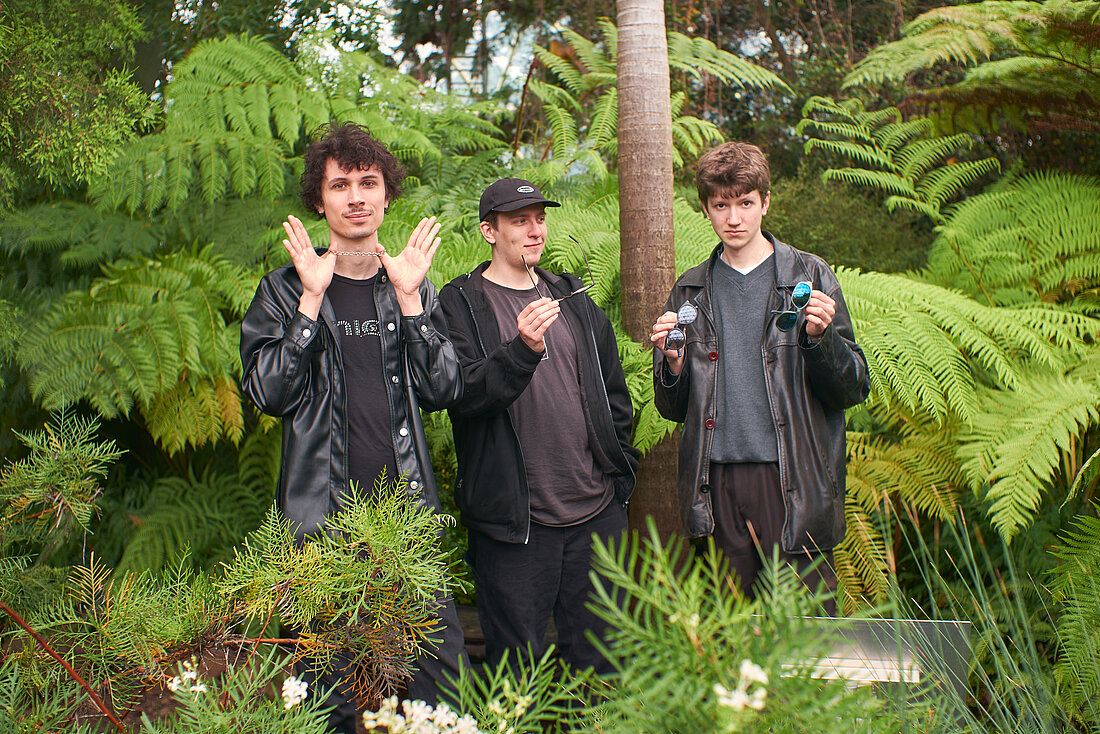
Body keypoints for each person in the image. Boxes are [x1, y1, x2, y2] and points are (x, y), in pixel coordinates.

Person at [239, 122, 467, 732]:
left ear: (387, 194)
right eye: (341, 185)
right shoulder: (283, 291)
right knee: (329, 708)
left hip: (406, 530)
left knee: (440, 700)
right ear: (320, 199)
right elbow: (267, 392)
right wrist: (310, 305)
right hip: (323, 536)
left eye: (369, 182)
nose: (357, 196)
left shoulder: (410, 287)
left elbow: (445, 388)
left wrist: (414, 303)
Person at [649, 142, 869, 610]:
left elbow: (852, 387)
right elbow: (671, 409)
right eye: (721, 205)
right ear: (707, 209)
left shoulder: (810, 275)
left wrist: (820, 338)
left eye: (745, 203)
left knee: (806, 633)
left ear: (765, 203)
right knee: (730, 633)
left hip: (792, 478)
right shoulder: (690, 290)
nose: (734, 218)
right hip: (715, 482)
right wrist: (672, 366)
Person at [438, 178, 639, 672]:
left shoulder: (572, 297)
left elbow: (613, 392)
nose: (534, 231)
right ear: (490, 230)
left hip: (596, 515)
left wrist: (618, 473)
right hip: (514, 525)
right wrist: (521, 350)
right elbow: (462, 395)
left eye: (540, 219)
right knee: (516, 673)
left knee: (600, 666)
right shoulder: (461, 303)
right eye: (519, 220)